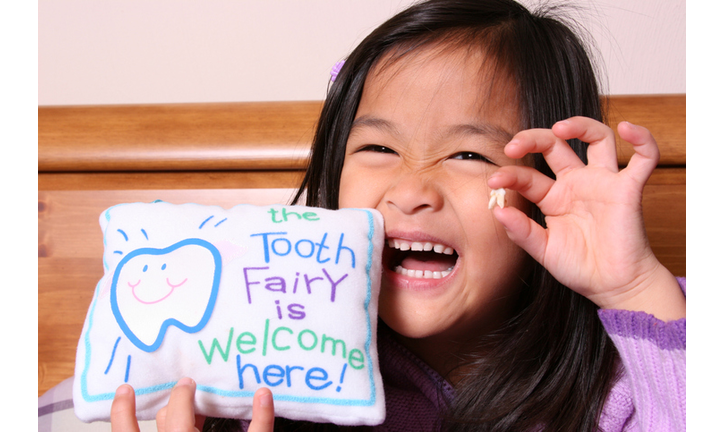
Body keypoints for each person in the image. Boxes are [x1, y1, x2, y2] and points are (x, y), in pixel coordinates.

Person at [110, 0, 686, 430]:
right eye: (378, 150)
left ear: (548, 191)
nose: (412, 190)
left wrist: (633, 286)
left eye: (468, 154)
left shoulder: (632, 371)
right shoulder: (268, 375)